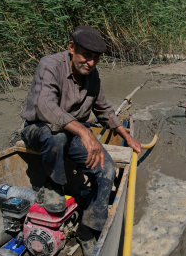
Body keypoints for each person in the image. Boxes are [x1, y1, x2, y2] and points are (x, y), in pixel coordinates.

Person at [20, 26, 141, 255]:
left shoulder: (92, 75)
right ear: (71, 47)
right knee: (55, 135)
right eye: (86, 55)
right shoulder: (50, 65)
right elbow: (45, 107)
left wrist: (127, 136)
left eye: (96, 58)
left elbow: (104, 109)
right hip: (39, 130)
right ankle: (53, 185)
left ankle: (87, 229)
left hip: (72, 134)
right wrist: (85, 133)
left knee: (105, 169)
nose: (91, 62)